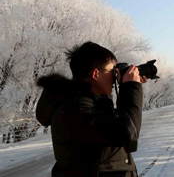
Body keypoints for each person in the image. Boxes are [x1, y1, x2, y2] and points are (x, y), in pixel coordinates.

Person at [35, 41, 147, 177]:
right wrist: (131, 87)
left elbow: (119, 129)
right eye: (112, 71)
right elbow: (128, 135)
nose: (114, 77)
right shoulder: (76, 109)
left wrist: (126, 89)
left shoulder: (92, 104)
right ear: (96, 74)